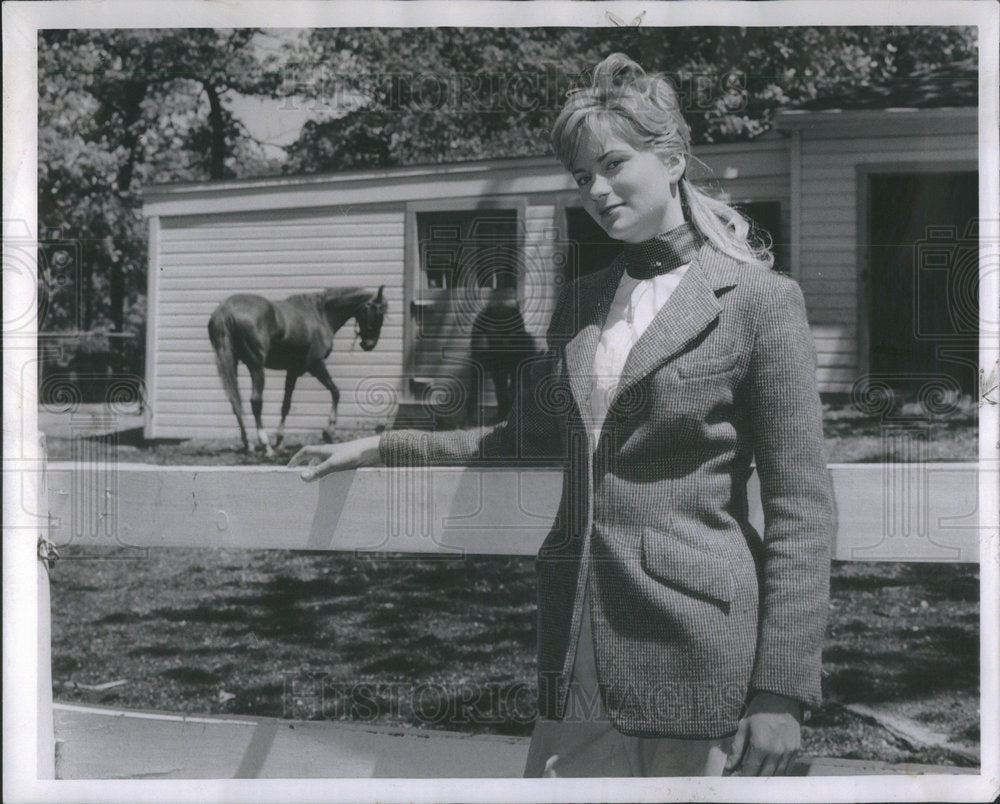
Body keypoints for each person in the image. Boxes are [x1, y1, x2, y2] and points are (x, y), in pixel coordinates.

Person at [290, 53, 836, 778]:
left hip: (698, 650)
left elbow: (802, 506)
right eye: (583, 178)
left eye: (614, 165)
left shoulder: (760, 302)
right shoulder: (581, 303)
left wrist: (783, 689)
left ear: (671, 158)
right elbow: (518, 438)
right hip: (573, 643)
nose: (598, 191)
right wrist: (381, 447)